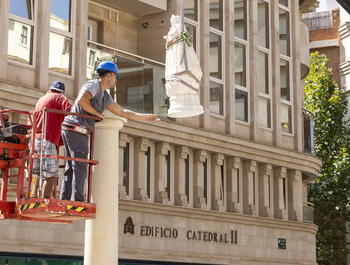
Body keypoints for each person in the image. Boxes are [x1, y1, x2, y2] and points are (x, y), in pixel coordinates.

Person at [60, 61, 160, 202]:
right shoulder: (93, 84)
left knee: (72, 166)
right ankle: (76, 201)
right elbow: (82, 100)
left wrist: (145, 117)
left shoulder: (104, 96)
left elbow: (122, 112)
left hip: (73, 128)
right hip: (77, 128)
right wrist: (98, 114)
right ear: (108, 75)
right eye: (115, 76)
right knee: (80, 166)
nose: (116, 79)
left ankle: (65, 199)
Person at [32, 81, 72, 198]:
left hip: (36, 140)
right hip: (48, 139)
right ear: (62, 91)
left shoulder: (41, 99)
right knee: (52, 174)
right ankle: (45, 201)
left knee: (36, 173)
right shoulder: (60, 97)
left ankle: (33, 198)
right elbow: (71, 112)